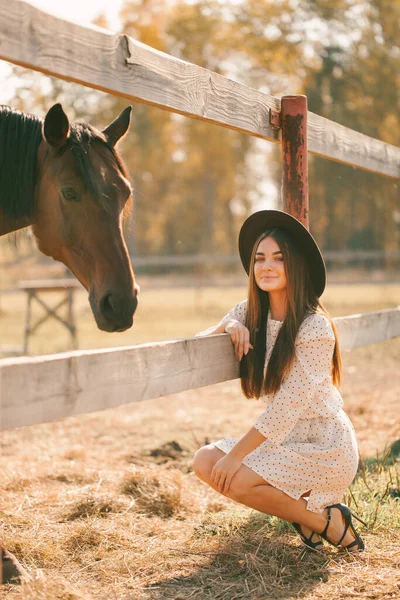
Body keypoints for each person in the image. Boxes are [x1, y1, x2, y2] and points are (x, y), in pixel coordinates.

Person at [192, 210, 366, 552]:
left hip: (323, 445)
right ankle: (314, 518)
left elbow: (288, 407)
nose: (266, 266)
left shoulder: (314, 327)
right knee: (203, 462)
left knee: (234, 478)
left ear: (296, 265)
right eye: (259, 259)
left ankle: (328, 523)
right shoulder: (249, 311)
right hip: (282, 442)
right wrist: (229, 326)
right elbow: (199, 339)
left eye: (278, 258)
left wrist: (237, 455)